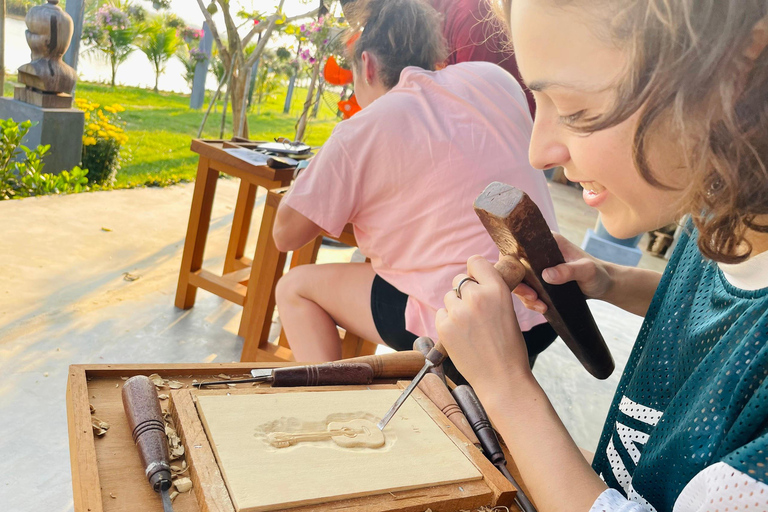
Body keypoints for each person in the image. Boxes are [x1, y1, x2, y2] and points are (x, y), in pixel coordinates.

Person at [436, 1, 768, 511]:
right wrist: (610, 281)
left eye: (576, 111)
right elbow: (728, 309)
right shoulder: (722, 209)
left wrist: (506, 389)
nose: (538, 152)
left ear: (735, 70)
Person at [272, 0, 558, 379]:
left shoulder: (363, 130)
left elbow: (286, 235)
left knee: (295, 288)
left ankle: (332, 402)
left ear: (368, 64)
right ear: (433, 56)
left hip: (463, 324)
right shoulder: (494, 78)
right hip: (548, 307)